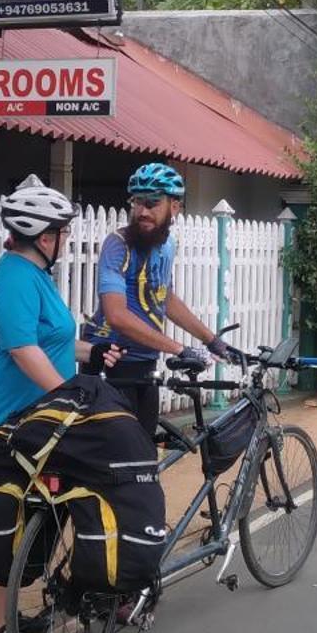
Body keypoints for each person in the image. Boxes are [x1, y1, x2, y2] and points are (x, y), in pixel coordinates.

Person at [0, 177, 119, 633]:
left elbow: (48, 340)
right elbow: (22, 349)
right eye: (62, 233)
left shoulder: (36, 279)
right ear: (44, 237)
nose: (66, 241)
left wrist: (90, 352)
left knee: (44, 514)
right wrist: (70, 391)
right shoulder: (12, 279)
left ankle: (10, 613)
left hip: (38, 422)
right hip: (4, 425)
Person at [80, 162, 239, 439]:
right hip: (110, 359)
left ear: (174, 207)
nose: (142, 211)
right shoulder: (118, 245)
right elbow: (116, 315)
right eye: (137, 202)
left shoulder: (167, 245)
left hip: (145, 361)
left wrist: (211, 340)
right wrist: (179, 349)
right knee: (115, 457)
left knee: (145, 450)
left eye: (152, 203)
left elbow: (164, 297)